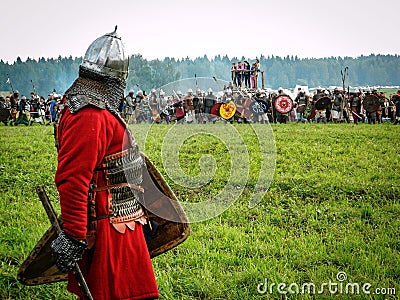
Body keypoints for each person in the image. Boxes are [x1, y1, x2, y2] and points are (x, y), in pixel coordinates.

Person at [50, 27, 159, 300]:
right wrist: (75, 235)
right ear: (116, 80)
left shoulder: (96, 109)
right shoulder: (89, 114)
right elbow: (73, 178)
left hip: (124, 221)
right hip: (108, 228)